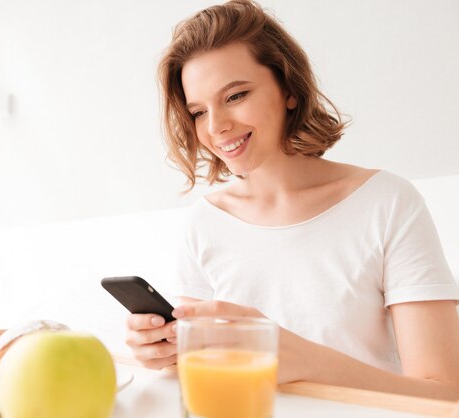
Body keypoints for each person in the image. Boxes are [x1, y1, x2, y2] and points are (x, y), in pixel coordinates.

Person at [125, 0, 459, 400]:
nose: (216, 127)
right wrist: (168, 352)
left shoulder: (387, 204)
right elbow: (211, 369)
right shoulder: (205, 222)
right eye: (198, 111)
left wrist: (303, 359)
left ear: (288, 89)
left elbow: (446, 394)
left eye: (235, 96)